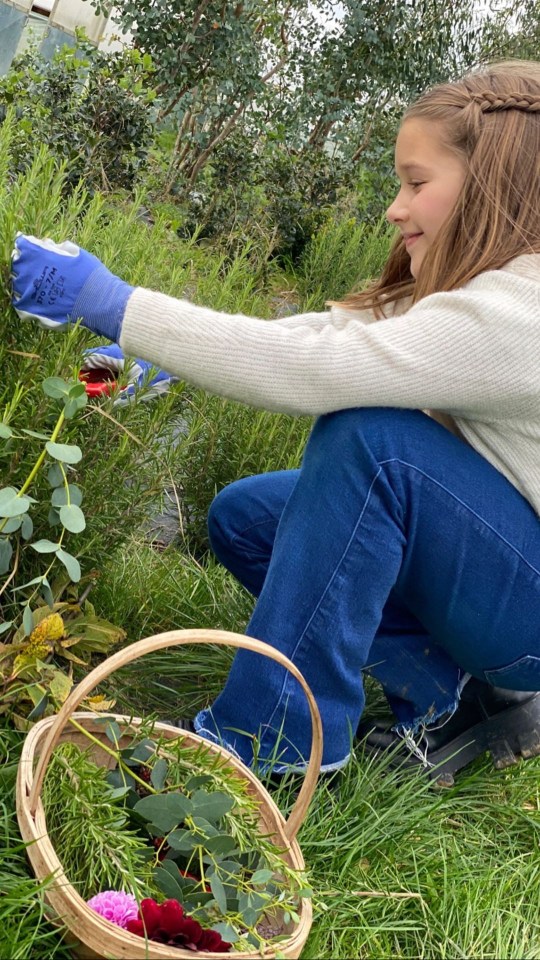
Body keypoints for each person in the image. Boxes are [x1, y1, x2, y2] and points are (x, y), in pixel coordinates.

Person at [11, 60, 540, 785]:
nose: (394, 206)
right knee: (248, 518)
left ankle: (265, 749)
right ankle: (453, 695)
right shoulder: (472, 290)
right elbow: (320, 338)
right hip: (510, 570)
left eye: (417, 183)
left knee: (374, 448)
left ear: (493, 187)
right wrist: (157, 355)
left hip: (530, 615)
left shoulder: (522, 316)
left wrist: (115, 303)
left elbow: (319, 372)